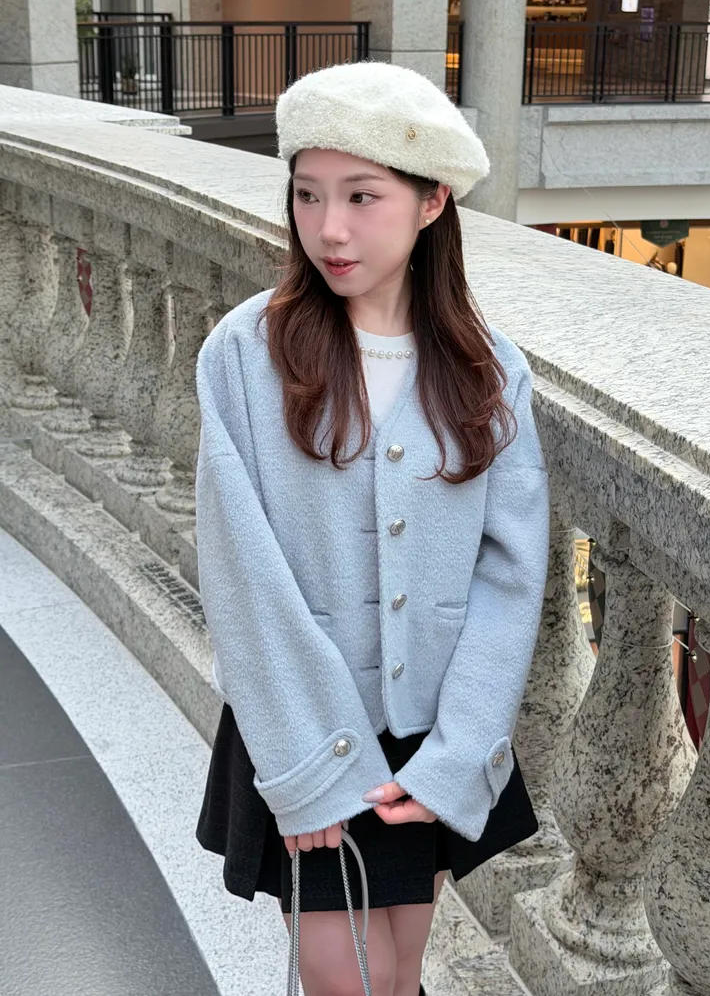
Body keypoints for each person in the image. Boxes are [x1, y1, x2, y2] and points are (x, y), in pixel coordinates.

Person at [193, 61, 551, 996]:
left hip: (425, 739)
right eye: (307, 194)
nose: (329, 228)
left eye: (361, 195)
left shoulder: (488, 371)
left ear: (432, 201)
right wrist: (303, 765)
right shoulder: (246, 354)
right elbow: (239, 572)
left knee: (396, 971)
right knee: (345, 978)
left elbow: (510, 579)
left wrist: (457, 756)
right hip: (300, 720)